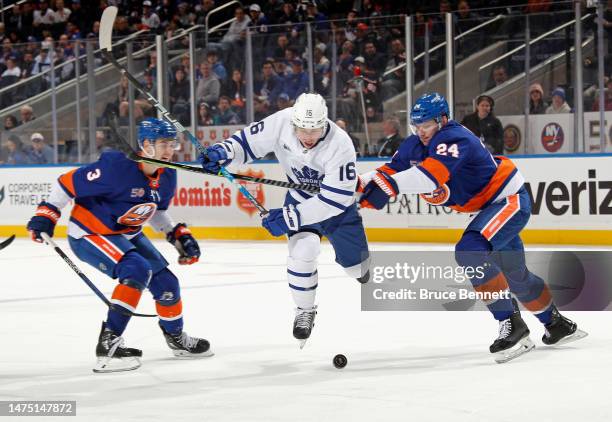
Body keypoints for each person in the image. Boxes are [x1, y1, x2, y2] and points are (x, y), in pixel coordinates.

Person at [358, 93, 586, 362]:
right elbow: (388, 172)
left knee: (470, 251)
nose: (421, 132)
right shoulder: (415, 144)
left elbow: (430, 177)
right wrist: (355, 185)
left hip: (508, 200)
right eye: (416, 126)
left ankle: (513, 325)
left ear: (443, 119)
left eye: (427, 125)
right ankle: (556, 324)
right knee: (516, 274)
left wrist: (388, 188)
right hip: (491, 205)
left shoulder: (454, 138)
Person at [26, 118, 212, 373]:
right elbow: (66, 182)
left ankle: (176, 338)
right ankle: (109, 344)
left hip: (126, 231)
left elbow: (155, 210)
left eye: (172, 144)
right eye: (163, 144)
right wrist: (46, 215)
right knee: (136, 269)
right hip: (91, 231)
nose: (170, 151)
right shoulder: (116, 168)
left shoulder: (168, 175)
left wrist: (176, 234)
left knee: (167, 284)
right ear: (146, 145)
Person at [199, 93, 370, 346]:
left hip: (337, 209)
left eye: (315, 130)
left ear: (325, 123)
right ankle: (304, 310)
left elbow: (334, 200)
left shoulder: (340, 144)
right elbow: (247, 144)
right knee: (303, 251)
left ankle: (360, 268)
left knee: (357, 268)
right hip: (300, 198)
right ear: (294, 123)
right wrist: (222, 152)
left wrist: (291, 217)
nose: (308, 137)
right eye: (302, 129)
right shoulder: (282, 121)